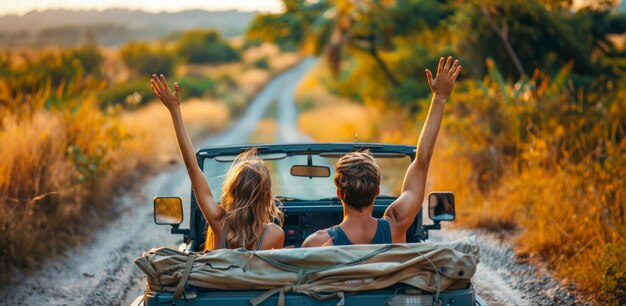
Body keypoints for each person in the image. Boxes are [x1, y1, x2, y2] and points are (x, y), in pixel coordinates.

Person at [302, 56, 461, 247]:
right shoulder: (396, 225)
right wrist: (440, 97)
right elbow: (422, 159)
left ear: (340, 194)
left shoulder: (316, 243)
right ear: (377, 191)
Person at [150, 74, 285, 251]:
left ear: (231, 190)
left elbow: (192, 168)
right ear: (266, 194)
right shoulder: (275, 233)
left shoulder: (218, 222)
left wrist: (175, 111)